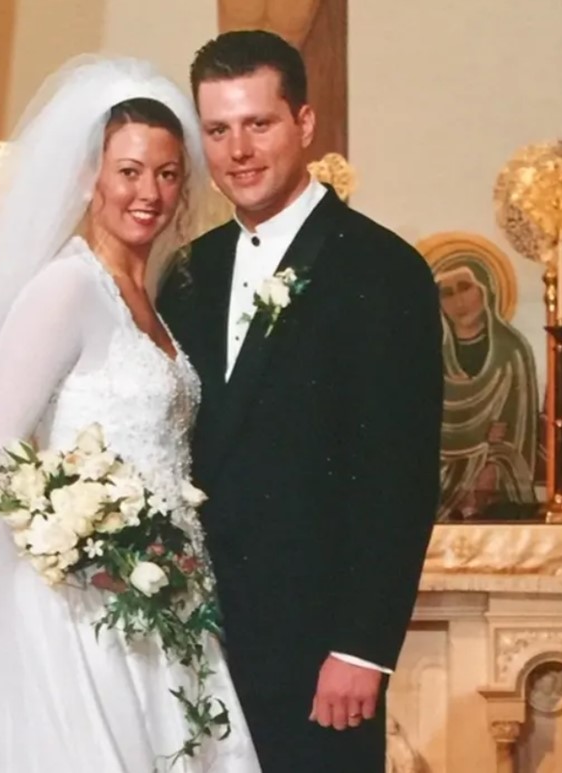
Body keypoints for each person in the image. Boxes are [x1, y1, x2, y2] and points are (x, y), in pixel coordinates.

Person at [0, 56, 260, 772]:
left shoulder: (157, 300)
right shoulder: (66, 288)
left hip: (166, 598)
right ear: (90, 177)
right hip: (80, 610)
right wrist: (100, 549)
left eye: (168, 173)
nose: (150, 193)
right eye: (130, 171)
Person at [159, 30, 443, 772]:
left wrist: (361, 648)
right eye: (218, 130)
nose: (238, 151)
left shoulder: (384, 270)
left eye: (259, 123)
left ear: (306, 124)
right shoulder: (189, 271)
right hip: (200, 643)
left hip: (320, 654)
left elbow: (400, 478)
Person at [435, 263, 538, 521]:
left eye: (465, 287)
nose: (459, 301)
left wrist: (490, 462)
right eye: (446, 293)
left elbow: (519, 429)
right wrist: (478, 435)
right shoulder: (430, 354)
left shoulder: (512, 350)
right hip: (440, 468)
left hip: (496, 468)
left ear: (485, 290)